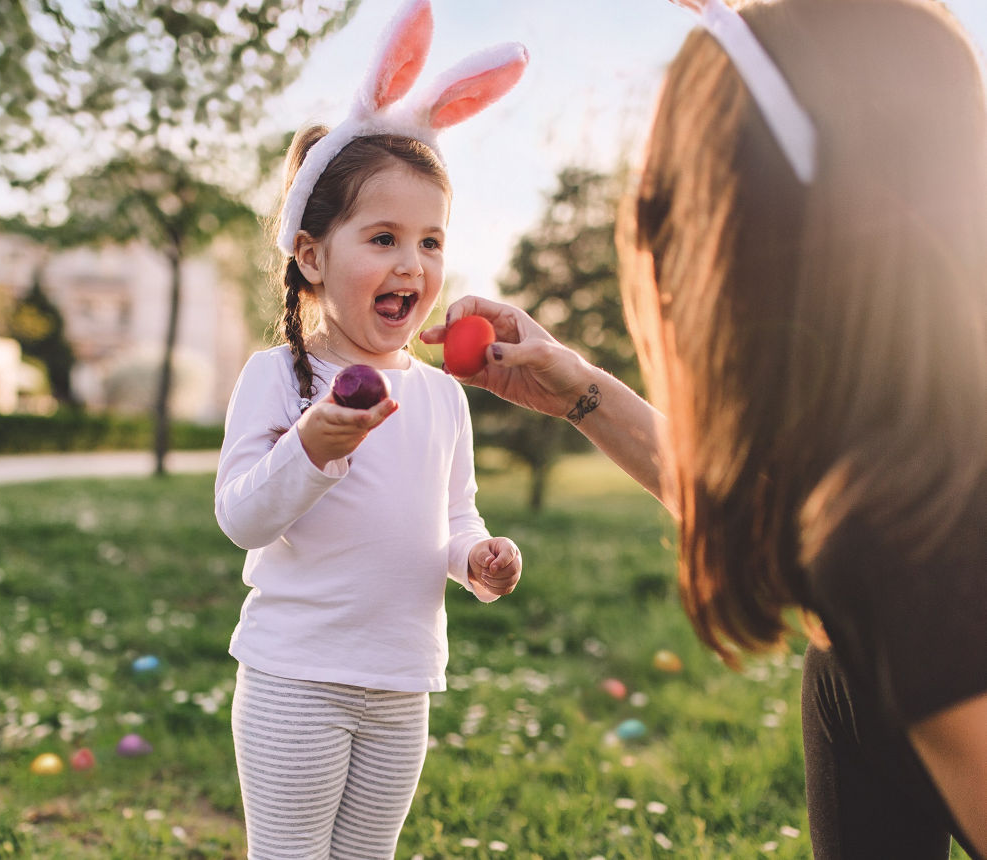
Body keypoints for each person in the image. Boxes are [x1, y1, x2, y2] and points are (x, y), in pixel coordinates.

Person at [422, 0, 987, 856]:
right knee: (841, 668)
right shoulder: (916, 459)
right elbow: (779, 527)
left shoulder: (907, 557)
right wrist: (583, 393)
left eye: (678, 212)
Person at [213, 2, 527, 857]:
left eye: (430, 241)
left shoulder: (441, 398)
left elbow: (453, 518)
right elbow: (242, 517)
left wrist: (479, 558)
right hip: (296, 680)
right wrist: (311, 448)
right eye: (383, 237)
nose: (412, 265)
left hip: (400, 684)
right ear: (311, 256)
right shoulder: (276, 378)